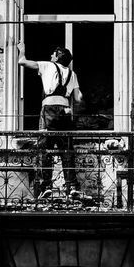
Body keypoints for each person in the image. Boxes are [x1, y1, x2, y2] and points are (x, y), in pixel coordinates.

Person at [17, 46, 83, 197]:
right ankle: (72, 186)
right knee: (67, 150)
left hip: (50, 110)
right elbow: (78, 98)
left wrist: (22, 49)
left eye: (53, 54)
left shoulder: (48, 65)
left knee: (45, 147)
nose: (51, 55)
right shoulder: (73, 74)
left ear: (57, 57)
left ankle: (46, 186)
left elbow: (22, 62)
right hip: (66, 111)